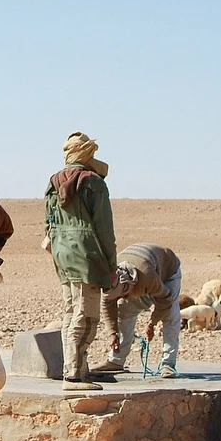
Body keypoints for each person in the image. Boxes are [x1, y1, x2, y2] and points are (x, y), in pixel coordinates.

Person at [43, 132, 117, 391]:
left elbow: (48, 224)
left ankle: (75, 368)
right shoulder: (93, 183)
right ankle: (74, 375)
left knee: (70, 312)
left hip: (62, 254)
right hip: (87, 255)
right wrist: (111, 265)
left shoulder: (53, 182)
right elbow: (104, 230)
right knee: (86, 315)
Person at [94, 243, 182, 378]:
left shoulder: (147, 276)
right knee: (123, 311)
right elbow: (107, 305)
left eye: (123, 295)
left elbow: (165, 299)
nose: (122, 298)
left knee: (170, 316)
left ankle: (168, 364)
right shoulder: (109, 281)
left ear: (129, 285)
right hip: (142, 273)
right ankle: (116, 361)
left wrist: (152, 323)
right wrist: (113, 333)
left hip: (168, 271)